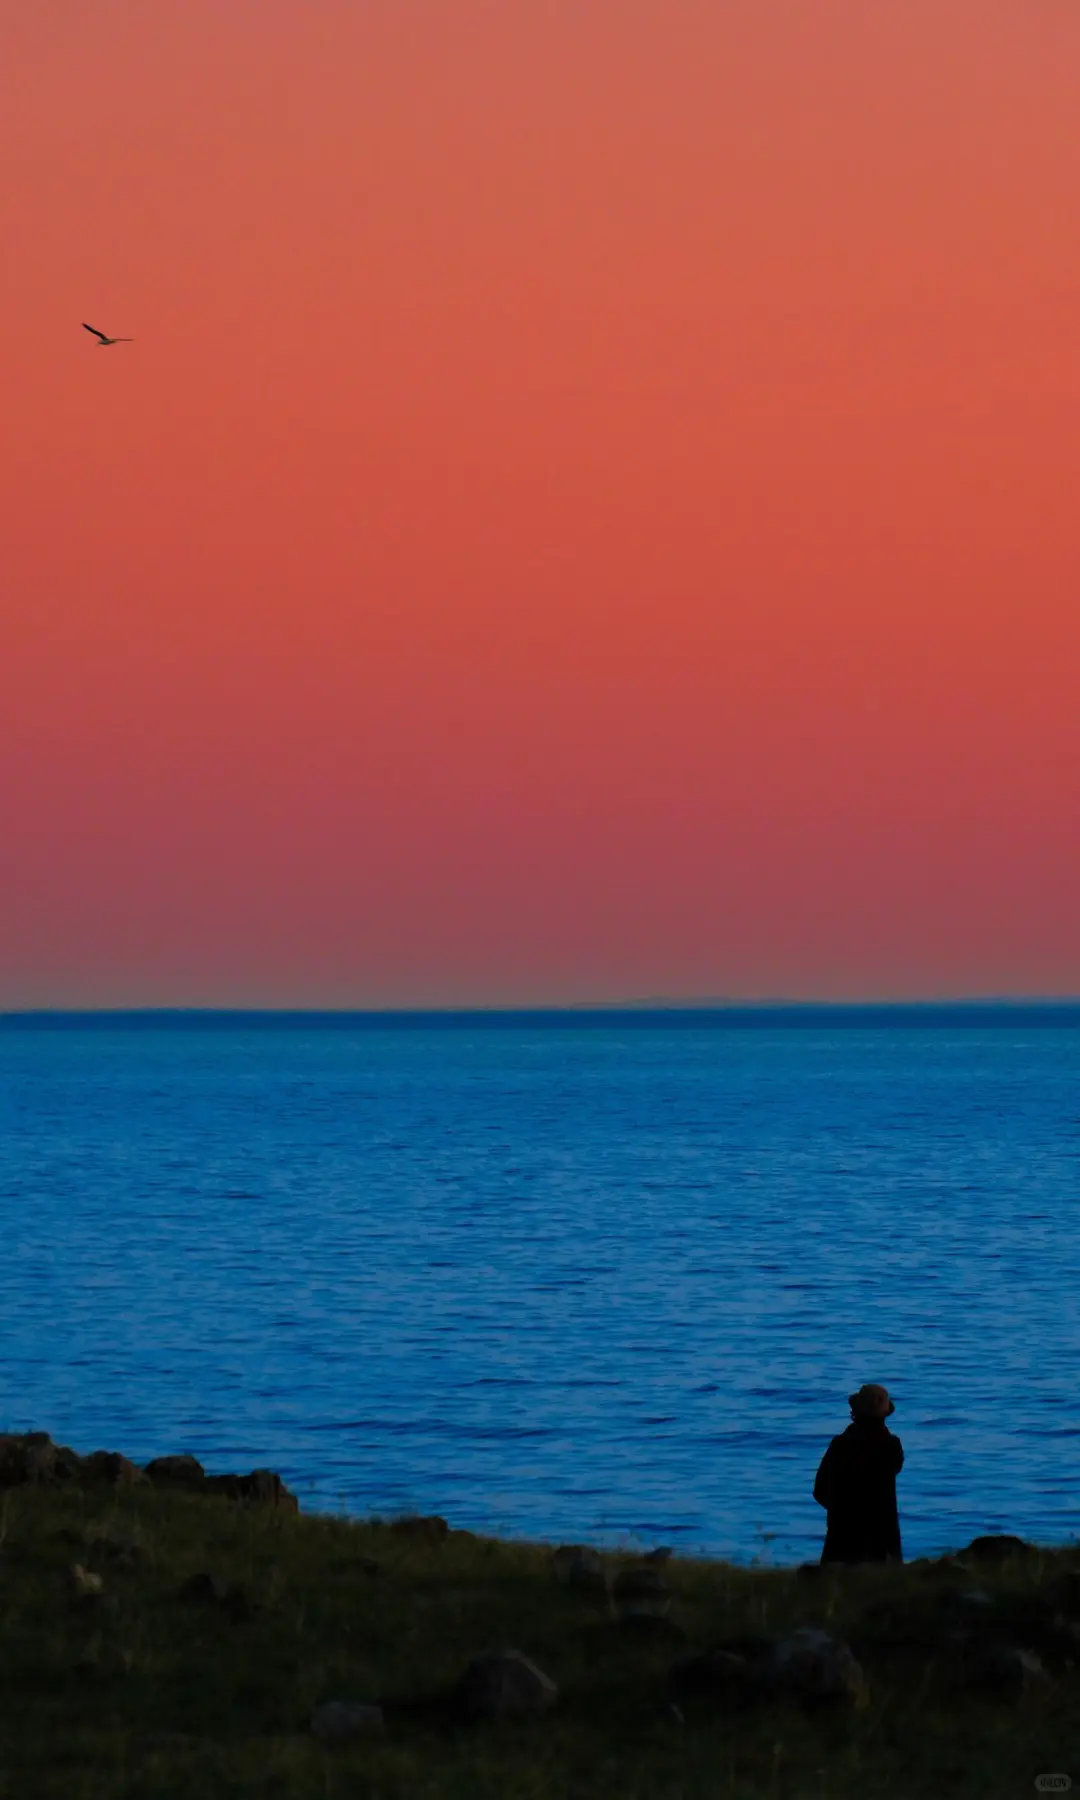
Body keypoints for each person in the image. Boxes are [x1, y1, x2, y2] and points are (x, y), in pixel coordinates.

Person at [813, 1384, 903, 1564]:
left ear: (855, 1411)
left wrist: (841, 1511)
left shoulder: (840, 1445)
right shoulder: (891, 1446)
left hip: (842, 1539)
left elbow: (820, 1491)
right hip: (883, 1540)